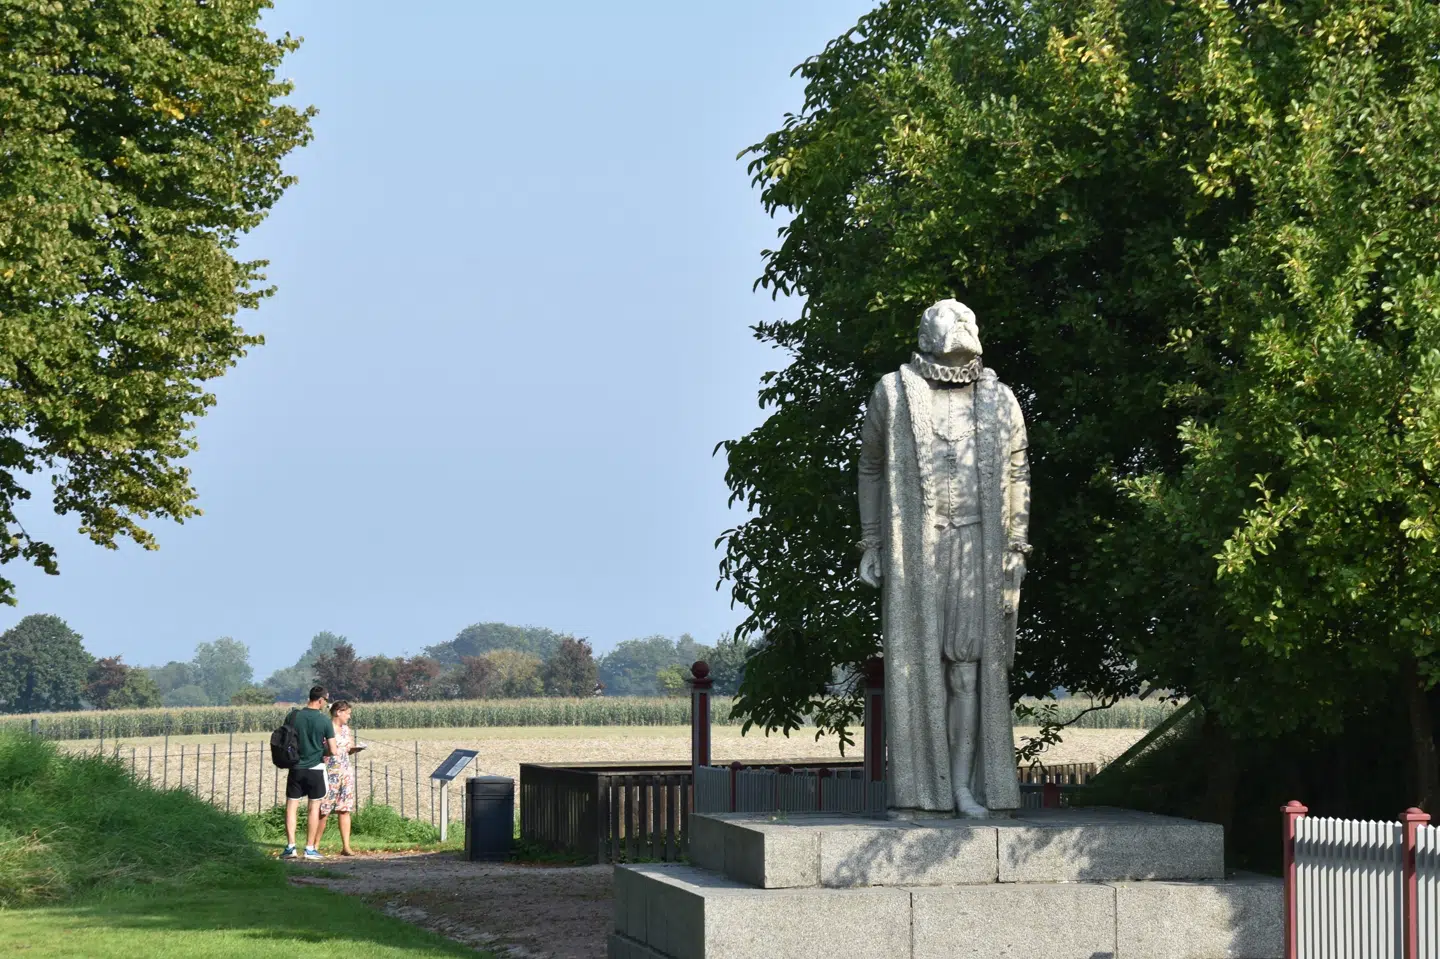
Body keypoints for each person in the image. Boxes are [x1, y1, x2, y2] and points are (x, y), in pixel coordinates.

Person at [857, 299, 1030, 819]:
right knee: (915, 668)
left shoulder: (999, 399)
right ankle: (917, 792)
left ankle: (962, 787)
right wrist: (872, 541)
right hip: (917, 546)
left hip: (978, 547)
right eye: (947, 318)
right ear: (927, 331)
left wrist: (1016, 548)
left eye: (966, 319)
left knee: (968, 672)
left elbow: (1018, 474)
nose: (958, 324)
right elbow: (870, 468)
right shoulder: (892, 392)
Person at [283, 685, 339, 860]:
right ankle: (309, 848)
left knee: (291, 807)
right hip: (315, 769)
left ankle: (290, 846)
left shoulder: (293, 716)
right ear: (321, 700)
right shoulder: (324, 721)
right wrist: (321, 752)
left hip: (295, 768)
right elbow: (333, 750)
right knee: (313, 808)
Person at [315, 700, 363, 856]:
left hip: (345, 772)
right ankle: (314, 845)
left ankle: (346, 846)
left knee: (345, 809)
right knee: (324, 810)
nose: (349, 716)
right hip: (329, 772)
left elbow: (348, 748)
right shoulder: (325, 728)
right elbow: (320, 749)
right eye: (347, 713)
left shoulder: (346, 730)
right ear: (338, 712)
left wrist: (355, 749)